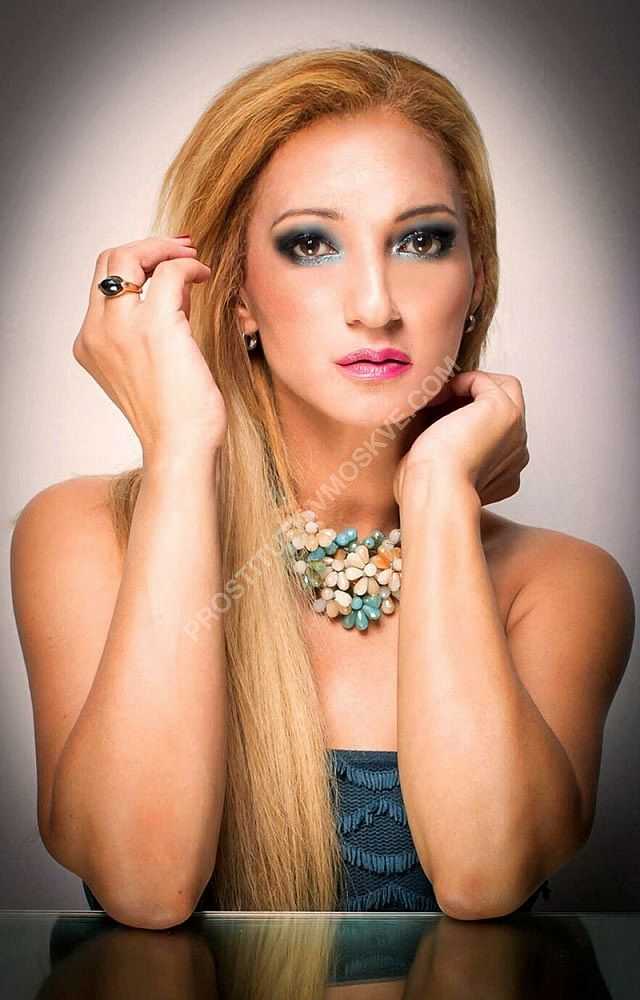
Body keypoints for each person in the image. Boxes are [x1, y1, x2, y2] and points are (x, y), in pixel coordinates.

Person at [10, 45, 635, 930]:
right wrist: (180, 450)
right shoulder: (84, 534)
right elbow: (144, 886)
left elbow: (485, 877)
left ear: (476, 281)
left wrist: (438, 493)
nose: (375, 304)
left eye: (421, 241)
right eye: (312, 243)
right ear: (238, 295)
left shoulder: (563, 586)